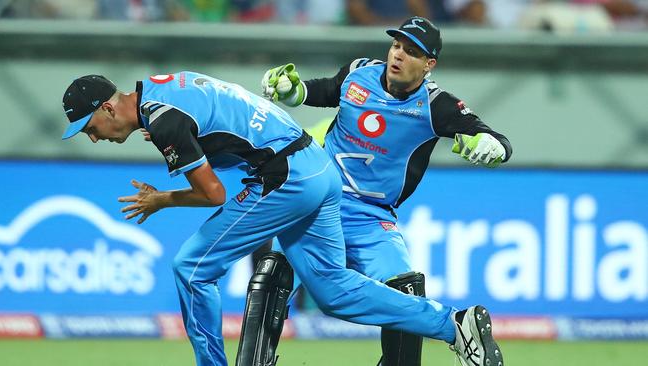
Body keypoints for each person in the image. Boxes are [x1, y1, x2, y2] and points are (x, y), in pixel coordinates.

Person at [60, 71, 503, 366]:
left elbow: (213, 193)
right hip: (318, 167)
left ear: (107, 108)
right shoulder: (164, 87)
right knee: (332, 290)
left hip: (287, 177)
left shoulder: (163, 121)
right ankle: (455, 324)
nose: (94, 138)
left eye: (89, 128)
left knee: (192, 268)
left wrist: (162, 200)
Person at [260, 16, 511, 366]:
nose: (398, 55)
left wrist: (491, 146)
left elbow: (494, 138)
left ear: (429, 65)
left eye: (411, 52)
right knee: (271, 278)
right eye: (396, 45)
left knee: (405, 288)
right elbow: (326, 90)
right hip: (318, 202)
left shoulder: (436, 105)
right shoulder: (359, 71)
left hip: (371, 216)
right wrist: (294, 90)